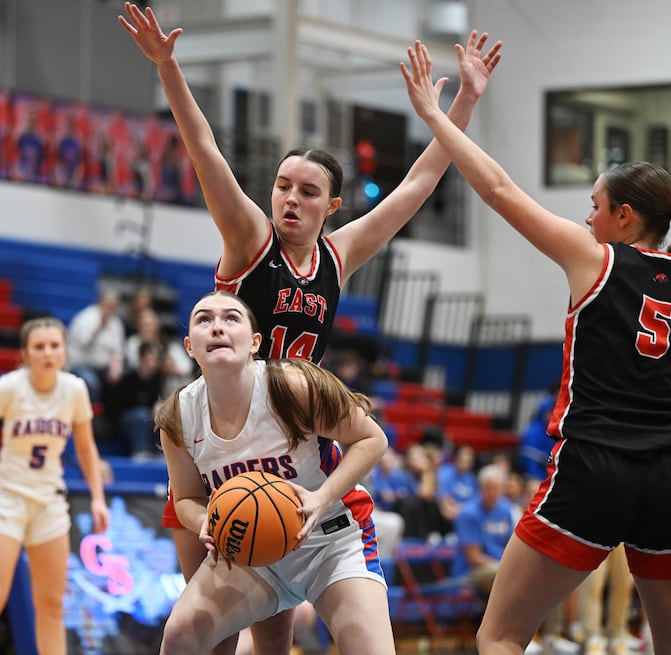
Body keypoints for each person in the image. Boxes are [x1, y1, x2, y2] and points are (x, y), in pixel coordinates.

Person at [118, 4, 501, 653]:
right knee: (211, 635)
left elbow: (421, 179)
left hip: (300, 440)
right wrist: (169, 69)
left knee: (281, 626)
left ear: (333, 203)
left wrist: (461, 100)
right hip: (226, 452)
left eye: (306, 190)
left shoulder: (337, 255)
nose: (289, 199)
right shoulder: (248, 241)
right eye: (281, 185)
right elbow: (205, 150)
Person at [401, 39, 671, 655]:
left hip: (593, 464)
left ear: (623, 216)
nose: (587, 218)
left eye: (594, 206)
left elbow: (501, 190)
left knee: (500, 635)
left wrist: (436, 113)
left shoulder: (594, 259)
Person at [153, 290, 393, 655]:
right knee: (180, 634)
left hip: (331, 540)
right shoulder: (178, 416)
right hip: (250, 549)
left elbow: (372, 439)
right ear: (189, 346)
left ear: (254, 342)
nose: (217, 326)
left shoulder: (289, 386)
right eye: (204, 319)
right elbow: (185, 497)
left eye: (231, 318)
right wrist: (204, 519)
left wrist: (321, 497)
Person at [0, 317, 110, 655]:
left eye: (54, 345)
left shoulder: (74, 389)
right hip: (8, 498)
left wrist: (97, 498)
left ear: (64, 350)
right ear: (25, 353)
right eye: (39, 347)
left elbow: (86, 448)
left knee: (50, 605)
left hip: (49, 500)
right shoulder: (9, 387)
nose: (47, 353)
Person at [451, 464, 515, 595]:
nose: (493, 493)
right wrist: (504, 567)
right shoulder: (468, 513)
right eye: (488, 488)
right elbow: (473, 557)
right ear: (480, 489)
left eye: (497, 489)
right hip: (471, 571)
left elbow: (511, 546)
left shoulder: (506, 509)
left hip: (499, 566)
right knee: (504, 575)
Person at [66, 289, 126, 407]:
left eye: (113, 306)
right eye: (108, 305)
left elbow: (118, 351)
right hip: (82, 364)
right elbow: (84, 344)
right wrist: (99, 327)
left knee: (123, 379)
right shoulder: (86, 318)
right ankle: (92, 414)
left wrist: (116, 369)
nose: (110, 309)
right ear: (100, 302)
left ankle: (110, 417)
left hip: (103, 367)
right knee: (92, 382)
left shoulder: (116, 323)